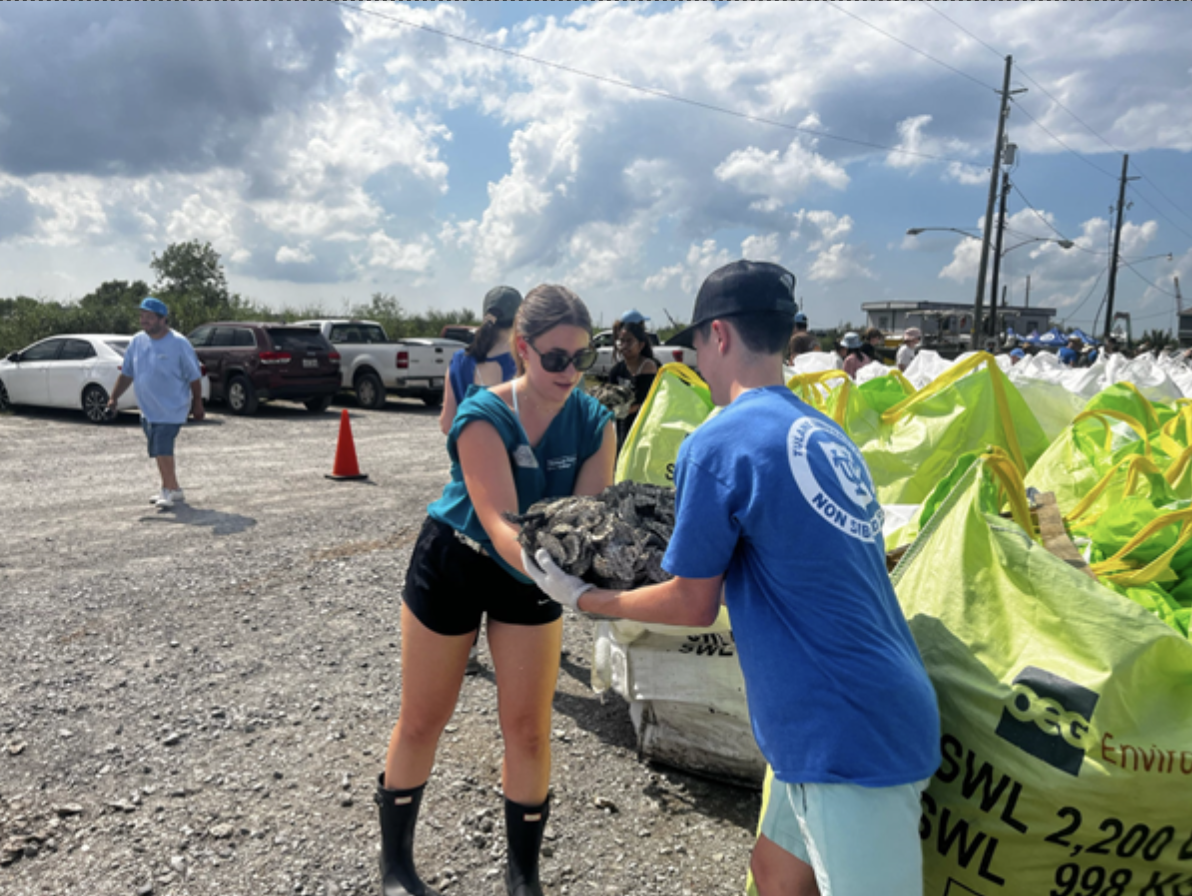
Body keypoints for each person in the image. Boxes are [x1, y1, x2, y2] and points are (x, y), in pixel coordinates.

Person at [524, 260, 940, 896]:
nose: (697, 361)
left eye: (695, 345)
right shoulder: (824, 432)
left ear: (717, 335)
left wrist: (588, 598)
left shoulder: (719, 440)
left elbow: (693, 602)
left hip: (843, 734)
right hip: (856, 708)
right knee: (776, 878)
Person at [377, 285, 616, 896]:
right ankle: (396, 868)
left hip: (535, 578)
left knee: (530, 728)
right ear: (523, 348)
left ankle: (523, 879)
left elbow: (585, 522)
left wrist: (606, 573)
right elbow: (502, 522)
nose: (569, 372)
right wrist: (578, 592)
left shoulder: (596, 422)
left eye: (581, 359)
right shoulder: (482, 413)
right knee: (424, 718)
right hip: (460, 558)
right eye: (555, 358)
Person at [441, 286, 524, 676]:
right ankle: (531, 642)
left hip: (467, 482)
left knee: (469, 563)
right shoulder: (520, 363)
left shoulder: (460, 362)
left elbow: (446, 424)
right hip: (513, 477)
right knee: (518, 561)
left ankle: (469, 650)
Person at [107, 297, 204, 509]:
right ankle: (174, 489)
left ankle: (167, 491)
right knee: (158, 450)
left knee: (162, 449)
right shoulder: (137, 341)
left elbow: (194, 376)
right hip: (148, 410)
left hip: (171, 408)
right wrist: (114, 397)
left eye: (149, 317)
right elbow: (127, 374)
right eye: (142, 316)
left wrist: (198, 404)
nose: (144, 320)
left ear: (163, 319)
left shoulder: (178, 343)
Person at [606, 313, 658, 448]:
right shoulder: (616, 370)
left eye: (629, 341)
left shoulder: (649, 367)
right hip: (622, 427)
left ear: (641, 345)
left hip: (643, 431)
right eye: (621, 341)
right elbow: (608, 398)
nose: (624, 346)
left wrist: (613, 412)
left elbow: (642, 404)